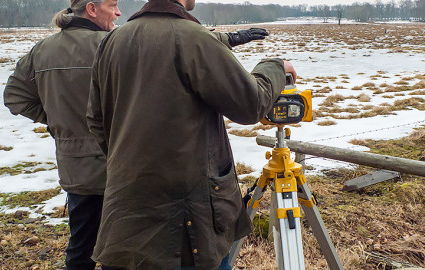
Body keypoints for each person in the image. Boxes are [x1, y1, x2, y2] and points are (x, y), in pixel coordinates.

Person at [86, 0, 297, 269]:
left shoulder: (112, 41)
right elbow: (250, 104)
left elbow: (95, 119)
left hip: (126, 221)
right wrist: (275, 67)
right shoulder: (193, 37)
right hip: (187, 230)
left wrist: (131, 164)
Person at [2, 0, 123, 269]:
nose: (118, 12)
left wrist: (57, 120)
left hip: (76, 167)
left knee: (81, 248)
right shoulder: (115, 45)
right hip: (121, 166)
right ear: (92, 9)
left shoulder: (43, 51)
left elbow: (14, 97)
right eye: (113, 5)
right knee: (122, 251)